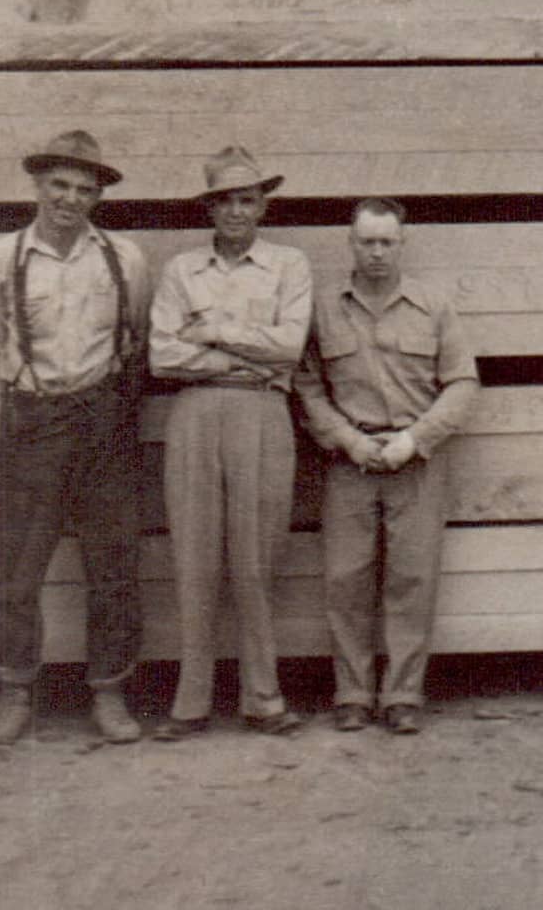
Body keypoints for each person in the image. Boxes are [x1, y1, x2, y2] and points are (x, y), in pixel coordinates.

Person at [0, 130, 151, 745]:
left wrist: (110, 412)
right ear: (38, 186)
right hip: (32, 423)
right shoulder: (2, 258)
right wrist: (23, 415)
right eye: (60, 186)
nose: (70, 199)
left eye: (84, 189)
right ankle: (15, 693)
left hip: (103, 423)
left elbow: (138, 343)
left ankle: (110, 692)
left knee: (114, 563)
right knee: (18, 569)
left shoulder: (123, 258)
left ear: (97, 197)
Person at [294, 198, 479, 734]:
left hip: (415, 461)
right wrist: (345, 439)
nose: (376, 253)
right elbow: (307, 386)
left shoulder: (434, 306)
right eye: (366, 242)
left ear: (403, 244)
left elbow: (462, 383)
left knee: (412, 579)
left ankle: (403, 694)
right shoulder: (325, 308)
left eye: (386, 242)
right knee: (345, 580)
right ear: (350, 245)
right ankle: (352, 694)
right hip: (349, 461)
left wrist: (415, 439)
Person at [148, 146, 312, 739]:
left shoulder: (289, 265)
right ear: (210, 208)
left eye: (247, 199)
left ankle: (263, 697)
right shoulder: (181, 270)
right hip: (194, 415)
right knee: (194, 555)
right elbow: (163, 354)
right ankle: (190, 702)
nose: (237, 211)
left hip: (263, 415)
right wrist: (248, 354)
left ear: (263, 205)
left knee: (256, 554)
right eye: (225, 201)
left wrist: (213, 330)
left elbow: (289, 346)